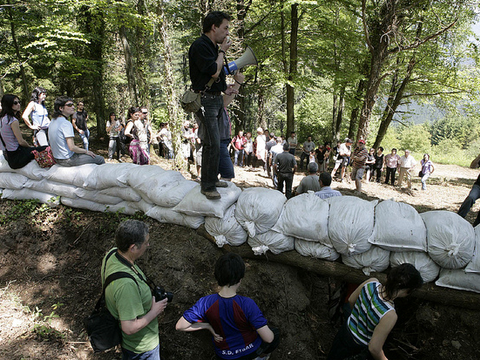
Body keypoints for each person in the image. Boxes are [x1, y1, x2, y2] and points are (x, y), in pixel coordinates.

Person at [176, 253, 280, 360]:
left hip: (224, 356)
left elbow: (180, 326)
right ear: (240, 278)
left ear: (217, 275)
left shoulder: (205, 303)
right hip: (250, 351)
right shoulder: (247, 304)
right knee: (275, 334)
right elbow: (268, 338)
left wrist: (206, 326)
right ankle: (261, 357)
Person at [326, 263, 423, 360]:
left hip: (344, 332)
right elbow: (374, 348)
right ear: (407, 290)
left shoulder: (371, 283)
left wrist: (359, 318)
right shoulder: (389, 315)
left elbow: (351, 300)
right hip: (356, 348)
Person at [102, 220, 168, 360]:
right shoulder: (126, 286)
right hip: (141, 347)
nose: (148, 245)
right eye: (145, 242)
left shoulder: (113, 254)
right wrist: (154, 311)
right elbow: (129, 328)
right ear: (133, 247)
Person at [189, 11, 236, 200]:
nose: (227, 33)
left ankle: (211, 178)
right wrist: (223, 51)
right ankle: (207, 185)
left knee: (214, 143)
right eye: (225, 28)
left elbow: (217, 77)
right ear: (213, 27)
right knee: (213, 143)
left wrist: (227, 89)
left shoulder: (211, 47)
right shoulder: (200, 46)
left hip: (214, 99)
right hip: (206, 101)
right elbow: (213, 72)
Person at [48, 96, 104, 167]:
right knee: (100, 159)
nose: (73, 107)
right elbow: (72, 147)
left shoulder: (53, 121)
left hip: (56, 157)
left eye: (73, 104)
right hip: (67, 159)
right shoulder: (65, 123)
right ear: (61, 108)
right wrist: (86, 151)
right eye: (69, 105)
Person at [0, 94, 48, 169]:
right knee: (46, 148)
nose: (18, 104)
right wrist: (30, 148)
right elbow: (21, 142)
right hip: (16, 157)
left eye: (19, 102)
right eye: (15, 103)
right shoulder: (12, 120)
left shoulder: (2, 119)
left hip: (8, 155)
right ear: (9, 104)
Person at [218, 72, 244, 181]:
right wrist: (237, 83)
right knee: (227, 173)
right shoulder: (213, 101)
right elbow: (224, 102)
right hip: (218, 142)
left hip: (221, 142)